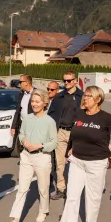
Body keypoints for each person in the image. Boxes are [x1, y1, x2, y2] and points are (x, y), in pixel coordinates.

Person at [59, 86, 111, 222]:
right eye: (85, 95)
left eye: (89, 96)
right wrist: (70, 149)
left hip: (97, 162)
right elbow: (74, 134)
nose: (85, 98)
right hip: (77, 160)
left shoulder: (106, 118)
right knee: (72, 195)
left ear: (98, 100)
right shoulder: (79, 114)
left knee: (93, 196)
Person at [6, 89, 58, 222]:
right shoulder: (27, 118)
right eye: (32, 101)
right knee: (22, 188)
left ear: (45, 103)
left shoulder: (50, 122)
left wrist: (40, 145)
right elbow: (21, 134)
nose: (34, 104)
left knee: (43, 188)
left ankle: (43, 210)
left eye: (37, 101)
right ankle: (15, 219)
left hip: (42, 157)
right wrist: (24, 141)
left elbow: (54, 143)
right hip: (26, 156)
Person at [48, 70, 84, 200]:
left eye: (69, 80)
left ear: (75, 80)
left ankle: (75, 189)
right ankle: (61, 189)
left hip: (75, 133)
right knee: (60, 163)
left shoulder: (82, 96)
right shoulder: (59, 97)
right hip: (61, 132)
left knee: (76, 163)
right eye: (64, 81)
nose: (66, 83)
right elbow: (51, 114)